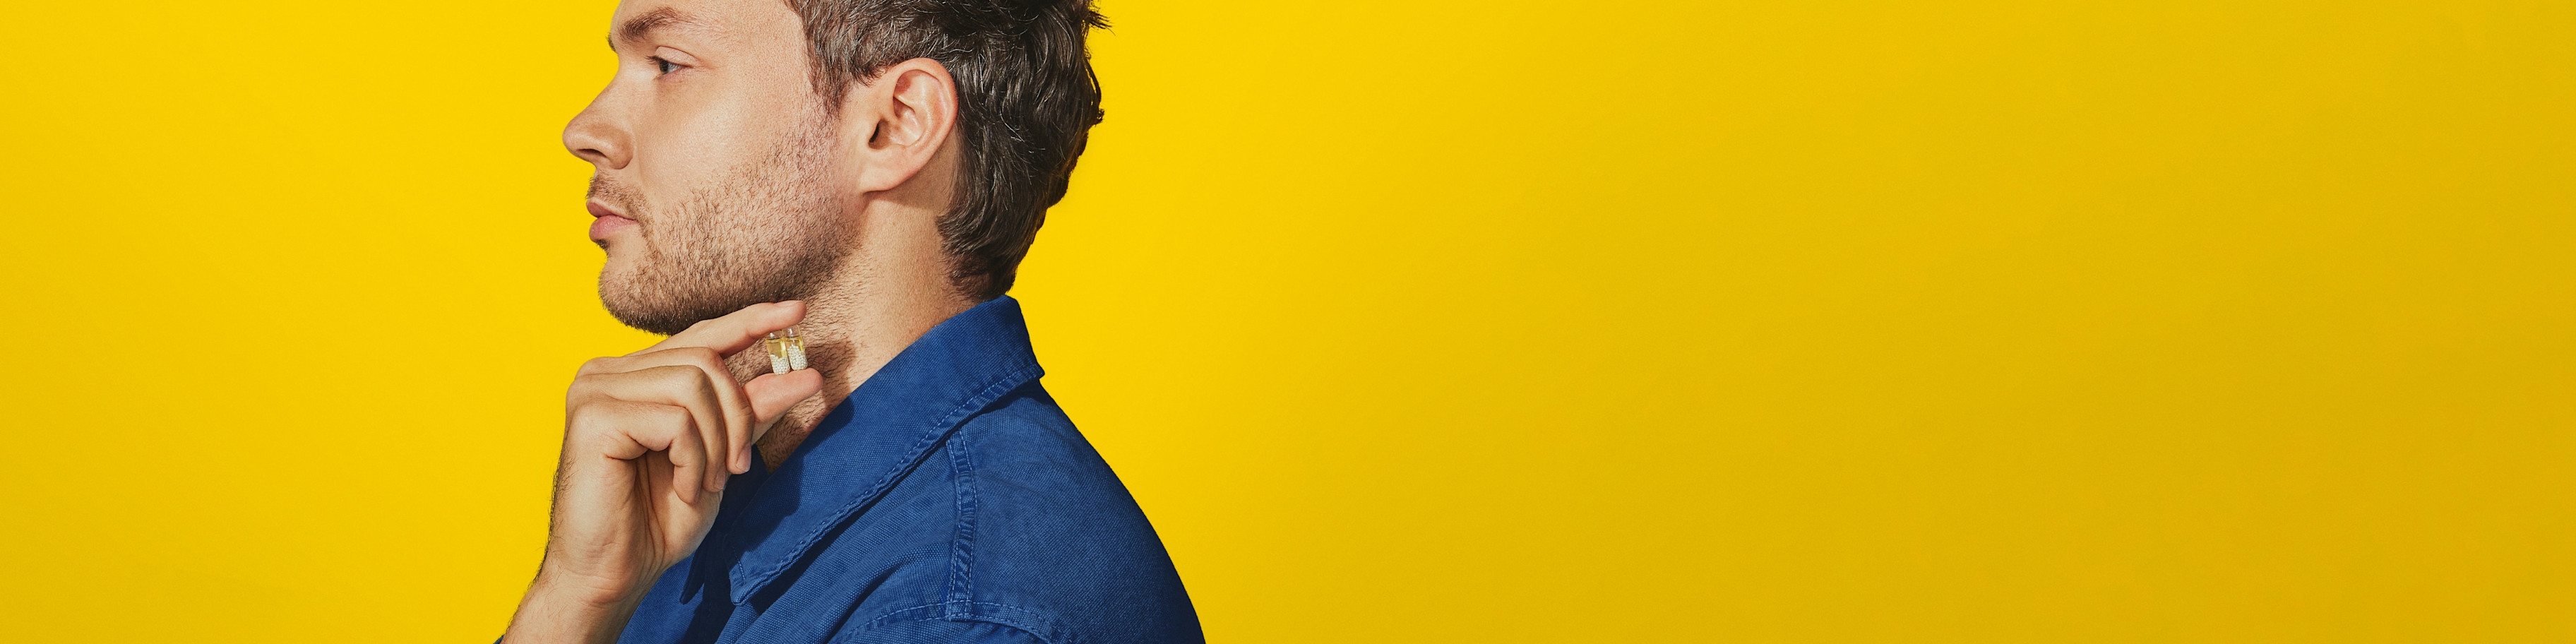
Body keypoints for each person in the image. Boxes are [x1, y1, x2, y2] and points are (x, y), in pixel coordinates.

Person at [499, 0, 1200, 642]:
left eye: (668, 65)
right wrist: (574, 600)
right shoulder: (702, 504)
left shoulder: (963, 613)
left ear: (895, 126)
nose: (585, 130)